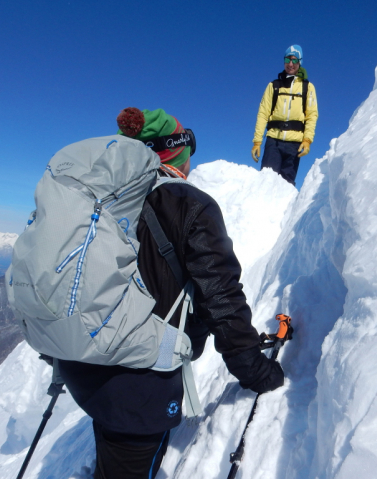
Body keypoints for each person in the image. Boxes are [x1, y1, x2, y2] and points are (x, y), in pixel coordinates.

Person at [57, 107, 285, 479]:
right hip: (139, 376)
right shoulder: (187, 205)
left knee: (113, 450)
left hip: (81, 359)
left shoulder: (102, 201)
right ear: (174, 153)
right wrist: (256, 372)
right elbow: (220, 298)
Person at [252, 45, 319, 186]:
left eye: (294, 60)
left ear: (300, 62)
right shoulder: (274, 85)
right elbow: (263, 113)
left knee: (286, 186)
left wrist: (307, 140)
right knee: (266, 183)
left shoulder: (308, 87)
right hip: (273, 142)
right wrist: (257, 142)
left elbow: (312, 115)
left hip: (294, 144)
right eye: (287, 59)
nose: (290, 64)